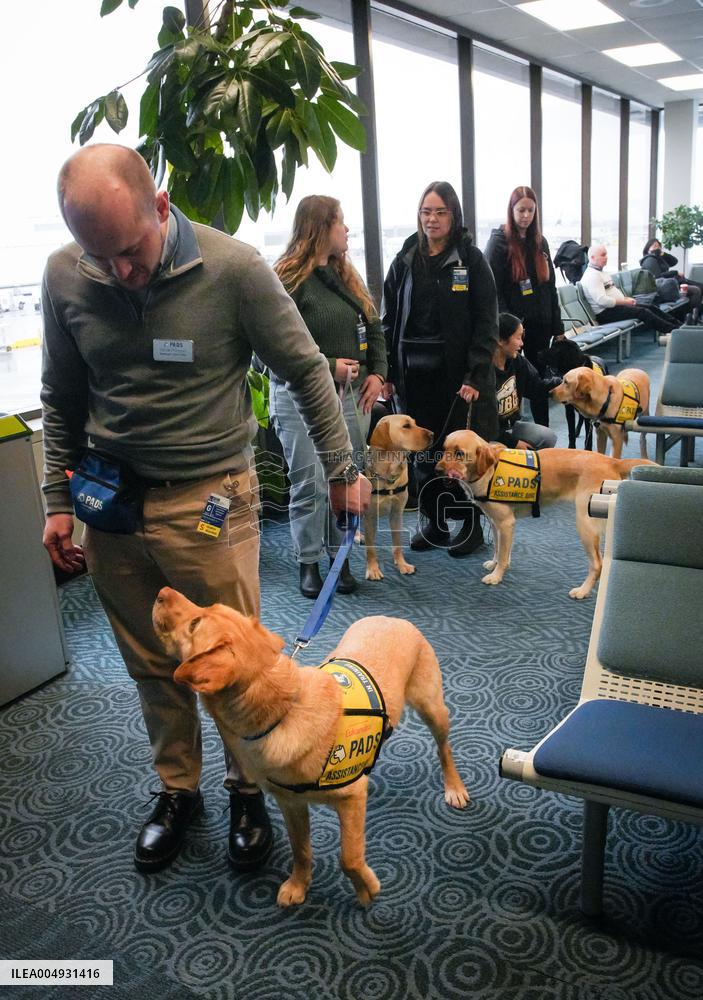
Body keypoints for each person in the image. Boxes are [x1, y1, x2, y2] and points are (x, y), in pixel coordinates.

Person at [40, 144, 370, 877]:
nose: (118, 272)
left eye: (128, 252)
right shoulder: (67, 272)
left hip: (210, 501)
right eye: (100, 256)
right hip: (113, 506)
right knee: (154, 665)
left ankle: (246, 789)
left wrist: (343, 470)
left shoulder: (233, 269)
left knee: (239, 664)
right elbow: (60, 397)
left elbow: (306, 370)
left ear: (160, 206)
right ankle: (177, 790)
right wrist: (57, 502)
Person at [272, 196, 387, 598]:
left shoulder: (343, 275)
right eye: (341, 223)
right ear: (321, 228)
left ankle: (340, 559)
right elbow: (268, 353)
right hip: (296, 396)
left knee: (344, 476)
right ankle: (309, 563)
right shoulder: (285, 280)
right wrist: (328, 365)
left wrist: (378, 374)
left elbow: (373, 327)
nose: (347, 231)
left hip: (347, 395)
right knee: (310, 483)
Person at [382, 180, 498, 557]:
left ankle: (470, 525)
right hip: (412, 373)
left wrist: (476, 373)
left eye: (440, 212)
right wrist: (386, 372)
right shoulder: (405, 257)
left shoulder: (471, 259)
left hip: (457, 376)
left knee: (462, 453)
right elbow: (389, 318)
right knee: (423, 453)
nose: (431, 219)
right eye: (425, 212)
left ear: (454, 216)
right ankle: (434, 521)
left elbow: (486, 321)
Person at [484, 186, 563, 428]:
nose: (525, 215)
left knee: (539, 381)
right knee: (511, 381)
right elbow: (492, 289)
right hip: (512, 329)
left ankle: (543, 432)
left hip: (541, 326)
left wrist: (557, 327)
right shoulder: (499, 243)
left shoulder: (541, 242)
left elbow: (550, 287)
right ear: (511, 210)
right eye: (521, 210)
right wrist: (507, 325)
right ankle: (510, 433)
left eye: (530, 210)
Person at [494, 313, 559, 450]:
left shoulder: (518, 361)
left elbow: (536, 388)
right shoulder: (483, 372)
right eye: (518, 338)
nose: (522, 343)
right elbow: (482, 423)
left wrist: (564, 383)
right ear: (500, 340)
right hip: (489, 435)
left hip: (511, 426)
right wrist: (513, 443)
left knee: (548, 437)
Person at [580, 244, 677, 334]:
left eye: (606, 254)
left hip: (615, 308)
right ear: (592, 258)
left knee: (650, 307)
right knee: (643, 312)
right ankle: (673, 331)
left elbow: (612, 292)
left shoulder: (601, 272)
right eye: (603, 255)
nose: (606, 257)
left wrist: (625, 299)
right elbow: (602, 301)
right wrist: (625, 302)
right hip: (605, 313)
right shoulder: (592, 276)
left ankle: (678, 326)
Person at [640, 238, 702, 324]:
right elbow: (658, 278)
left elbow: (674, 261)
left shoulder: (658, 259)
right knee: (696, 290)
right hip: (665, 288)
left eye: (658, 246)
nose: (657, 248)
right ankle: (690, 318)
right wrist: (675, 272)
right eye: (654, 246)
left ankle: (693, 317)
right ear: (647, 249)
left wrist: (662, 254)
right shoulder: (650, 260)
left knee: (700, 287)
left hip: (671, 283)